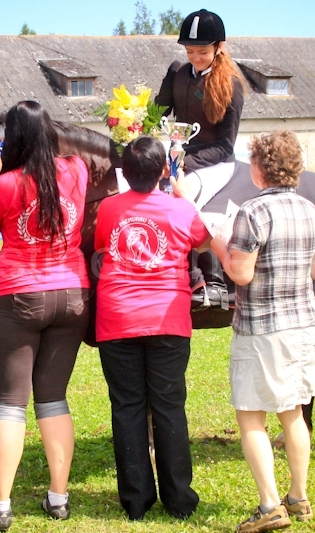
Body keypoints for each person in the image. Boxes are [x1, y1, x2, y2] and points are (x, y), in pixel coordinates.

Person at [0, 101, 90, 531]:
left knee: (9, 403)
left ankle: (1, 504)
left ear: (14, 139)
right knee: (53, 398)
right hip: (72, 294)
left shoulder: (6, 184)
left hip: (19, 295)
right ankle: (58, 498)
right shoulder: (76, 170)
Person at [210, 130, 315, 533]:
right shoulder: (310, 209)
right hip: (304, 325)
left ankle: (269, 505)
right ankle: (299, 496)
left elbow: (241, 274)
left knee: (251, 417)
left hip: (261, 328)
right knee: (293, 413)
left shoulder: (252, 212)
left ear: (259, 168)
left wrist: (219, 244)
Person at [94, 135, 209, 521]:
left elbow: (102, 247)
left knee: (127, 406)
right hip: (168, 320)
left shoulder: (108, 208)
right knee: (169, 407)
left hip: (117, 318)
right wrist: (186, 199)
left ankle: (136, 500)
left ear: (124, 173)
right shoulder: (180, 210)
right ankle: (178, 499)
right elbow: (204, 240)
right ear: (164, 170)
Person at [154, 8, 248, 311]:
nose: (195, 57)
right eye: (190, 51)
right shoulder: (178, 72)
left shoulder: (231, 85)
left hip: (215, 161)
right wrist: (132, 119)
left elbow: (225, 144)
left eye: (202, 52)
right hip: (178, 154)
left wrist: (185, 165)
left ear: (219, 47)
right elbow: (158, 111)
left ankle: (206, 280)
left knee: (184, 194)